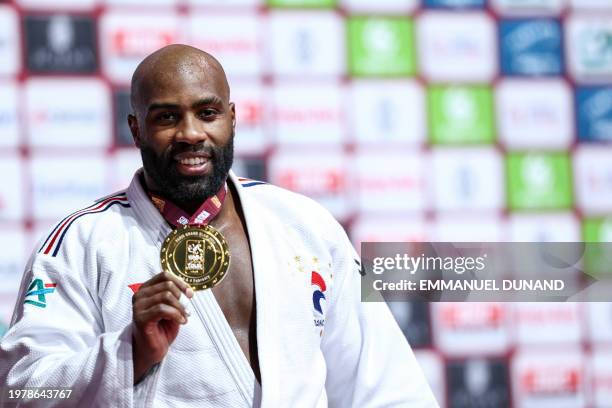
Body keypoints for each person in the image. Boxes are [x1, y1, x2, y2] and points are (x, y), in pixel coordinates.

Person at [0, 44, 437, 407]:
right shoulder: (81, 243)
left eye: (207, 113)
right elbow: (22, 388)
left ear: (232, 117)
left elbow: (385, 386)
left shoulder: (304, 225)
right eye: (166, 117)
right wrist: (127, 353)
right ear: (136, 129)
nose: (191, 133)